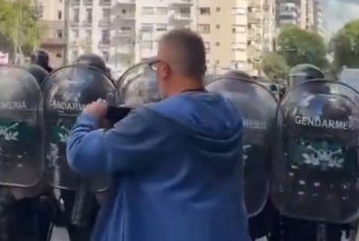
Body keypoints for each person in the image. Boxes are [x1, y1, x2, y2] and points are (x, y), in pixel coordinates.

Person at [66, 29, 249, 241]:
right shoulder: (229, 112)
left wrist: (88, 118)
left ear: (163, 69)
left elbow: (81, 155)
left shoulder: (155, 120)